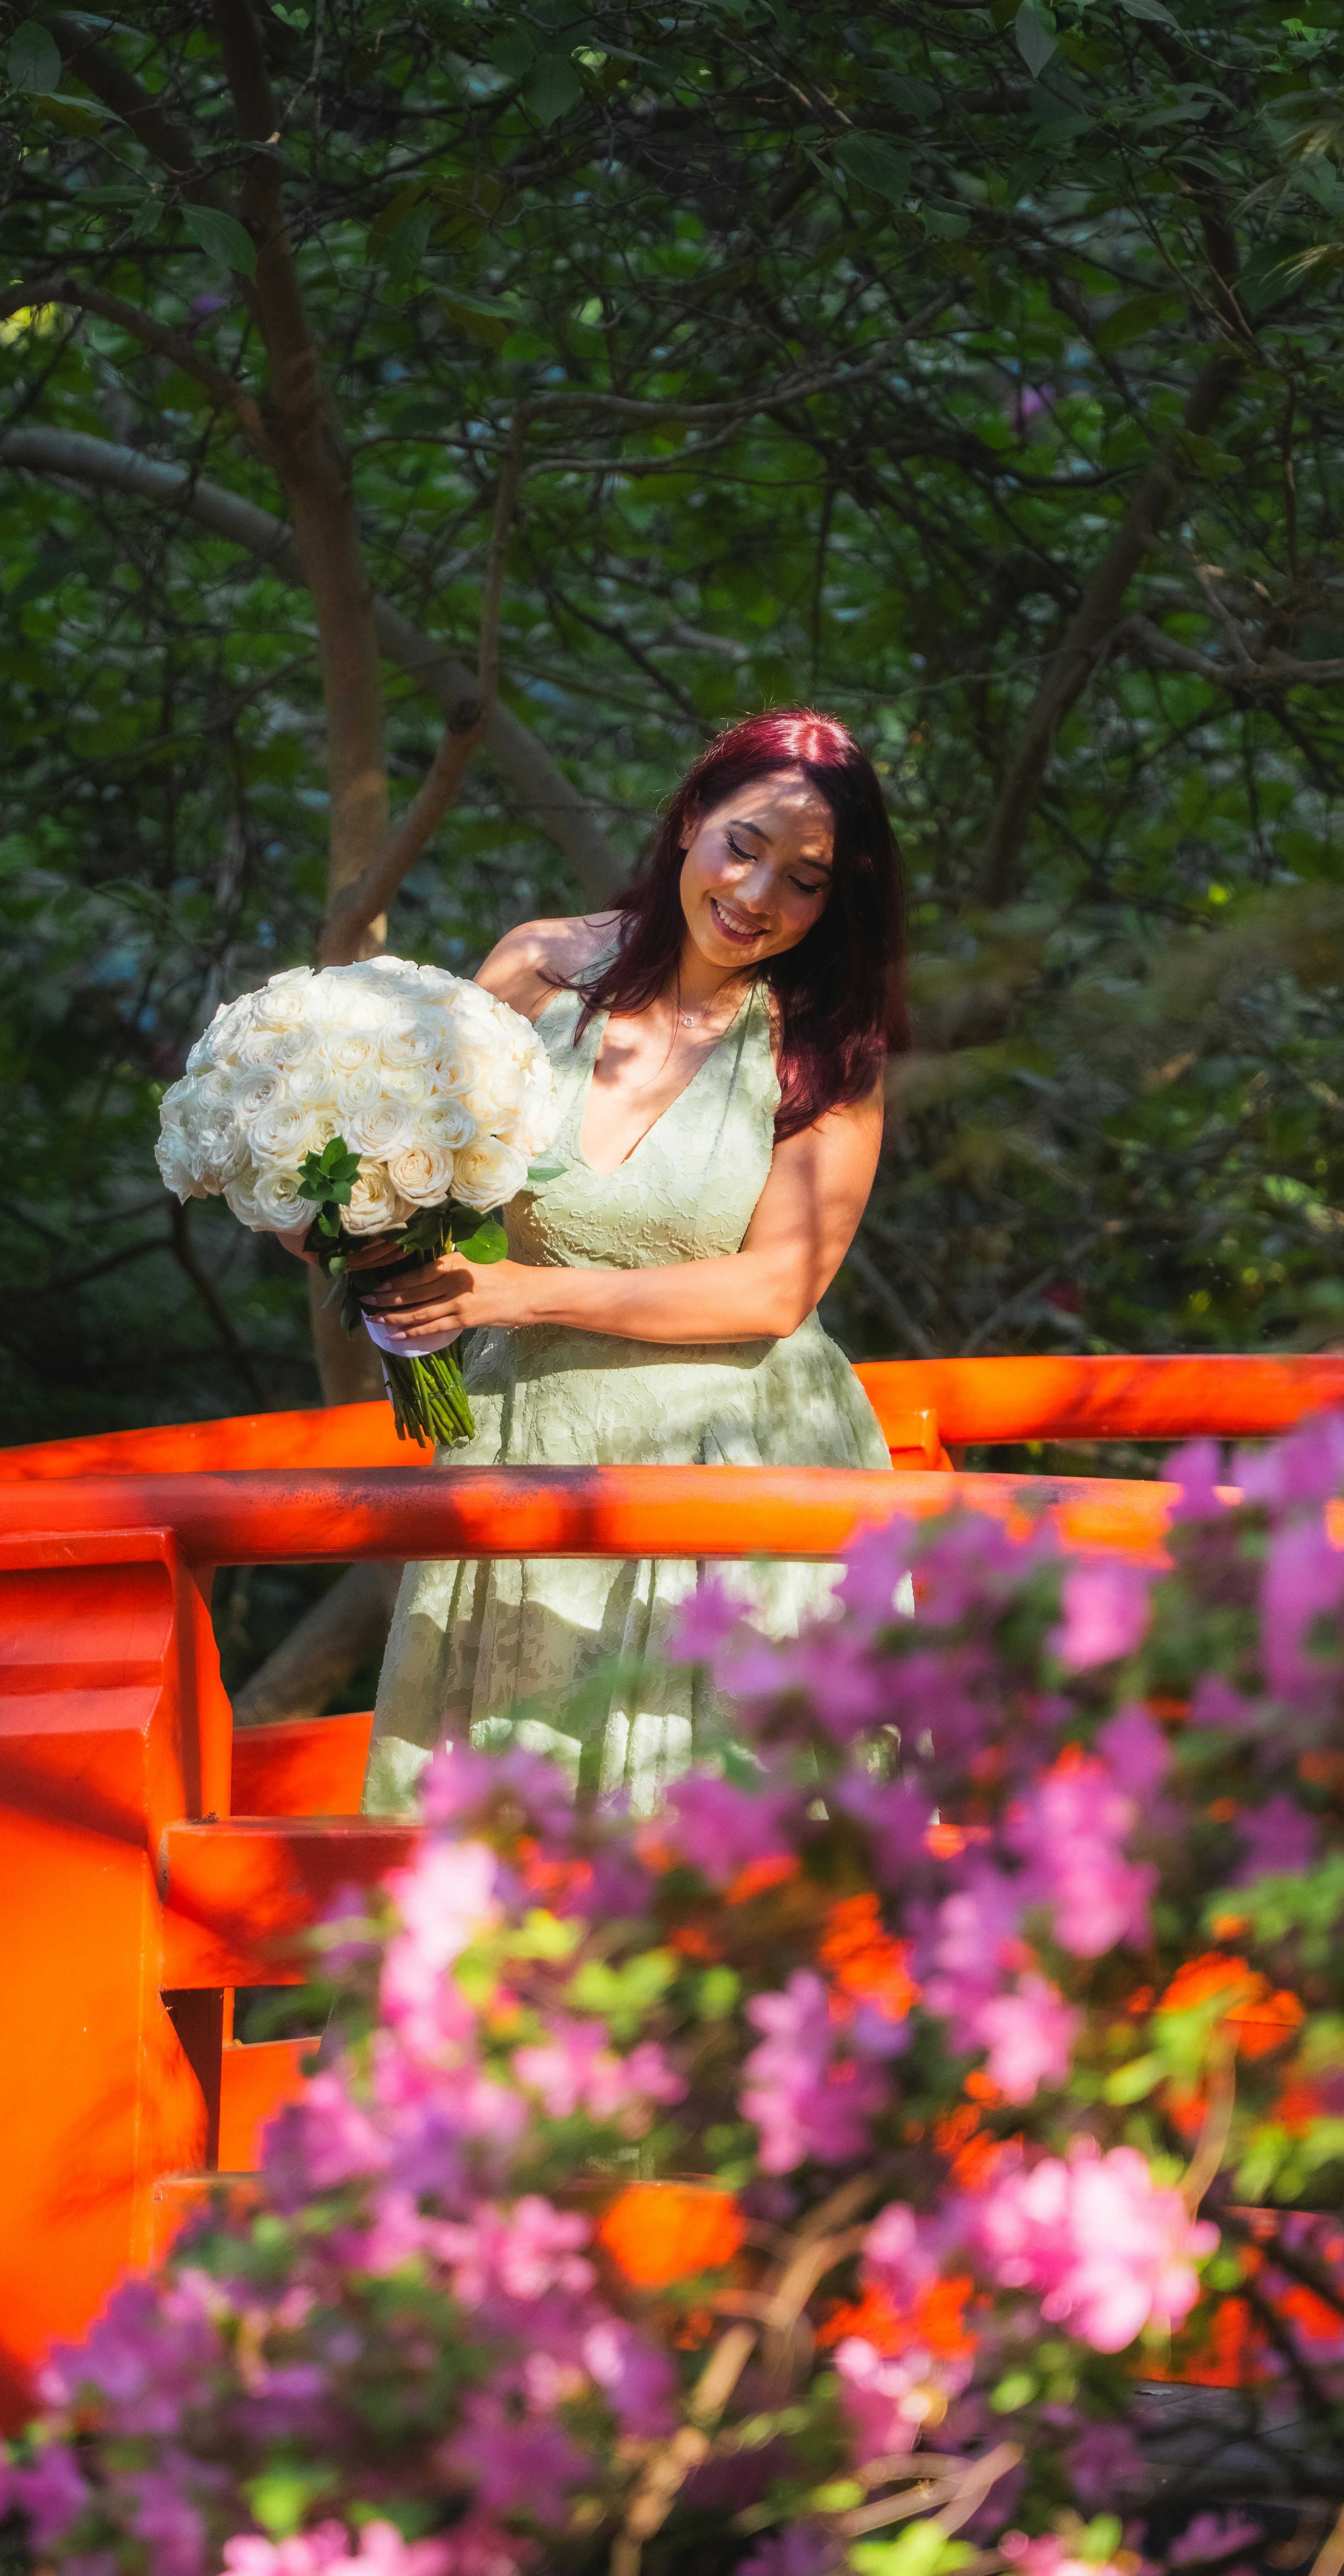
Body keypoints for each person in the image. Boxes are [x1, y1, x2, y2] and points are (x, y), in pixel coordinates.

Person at [343, 707, 912, 1817]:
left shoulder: (823, 1045)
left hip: (741, 1453)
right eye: (743, 846)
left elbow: (777, 1287)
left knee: (710, 1814)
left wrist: (515, 1293)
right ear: (693, 816)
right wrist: (327, 1209)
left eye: (807, 881)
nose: (756, 897)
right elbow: (421, 1175)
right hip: (532, 1438)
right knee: (510, 1813)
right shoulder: (540, 968)